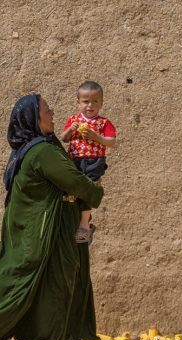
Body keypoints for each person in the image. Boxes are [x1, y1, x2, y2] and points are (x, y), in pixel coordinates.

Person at [0, 94, 104, 340]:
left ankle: (44, 338)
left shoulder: (44, 145)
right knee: (24, 282)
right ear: (34, 120)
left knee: (48, 283)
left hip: (43, 229)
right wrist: (96, 191)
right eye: (47, 111)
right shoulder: (41, 152)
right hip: (38, 231)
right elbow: (74, 181)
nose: (52, 113)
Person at [60, 81, 117, 244]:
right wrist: (71, 129)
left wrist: (97, 138)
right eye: (86, 101)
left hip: (94, 161)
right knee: (71, 189)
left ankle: (85, 225)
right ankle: (74, 220)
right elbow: (64, 139)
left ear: (101, 103)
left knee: (87, 190)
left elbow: (112, 142)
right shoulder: (73, 120)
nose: (90, 105)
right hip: (75, 160)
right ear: (78, 103)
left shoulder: (104, 123)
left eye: (95, 101)